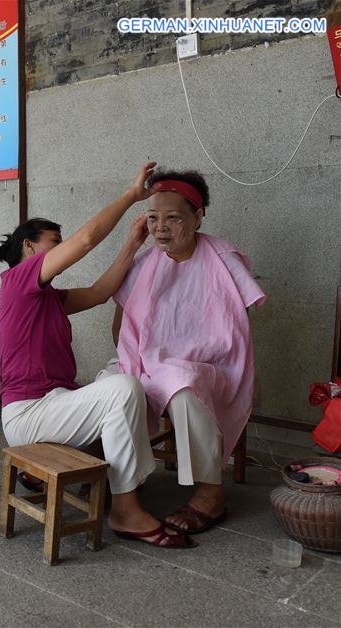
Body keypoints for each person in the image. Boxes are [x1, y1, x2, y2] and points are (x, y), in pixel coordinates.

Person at [0, 162, 194, 548]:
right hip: (27, 413)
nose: (62, 247)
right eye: (55, 241)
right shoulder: (17, 282)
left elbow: (102, 292)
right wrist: (130, 196)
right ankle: (125, 509)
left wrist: (133, 243)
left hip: (54, 402)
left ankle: (107, 481)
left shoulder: (47, 298)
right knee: (123, 390)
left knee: (122, 377)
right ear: (30, 247)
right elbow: (86, 241)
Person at [110, 170, 265, 534]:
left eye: (173, 218)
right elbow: (120, 326)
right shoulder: (144, 264)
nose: (160, 228)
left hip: (212, 366)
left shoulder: (223, 259)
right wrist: (140, 362)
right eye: (153, 218)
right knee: (113, 385)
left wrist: (183, 357)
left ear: (198, 217)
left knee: (183, 386)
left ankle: (211, 493)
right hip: (149, 363)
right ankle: (125, 481)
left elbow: (237, 330)